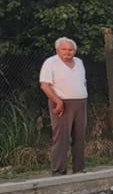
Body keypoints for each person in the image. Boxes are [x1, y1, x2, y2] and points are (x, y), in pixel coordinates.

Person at [38, 37, 89, 175]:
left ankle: (79, 168)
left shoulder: (79, 62)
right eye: (64, 49)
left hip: (80, 102)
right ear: (57, 50)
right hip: (62, 103)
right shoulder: (51, 63)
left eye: (71, 49)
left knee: (80, 136)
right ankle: (59, 170)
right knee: (62, 137)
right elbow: (45, 85)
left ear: (75, 51)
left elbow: (82, 82)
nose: (68, 52)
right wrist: (58, 101)